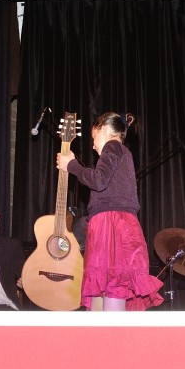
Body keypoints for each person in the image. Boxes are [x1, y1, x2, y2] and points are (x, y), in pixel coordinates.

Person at [56, 112, 163, 311]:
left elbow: (98, 180)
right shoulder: (121, 152)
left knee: (112, 284)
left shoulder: (113, 146)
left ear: (104, 130)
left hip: (113, 225)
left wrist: (71, 165)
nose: (93, 145)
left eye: (94, 138)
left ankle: (110, 330)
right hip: (111, 223)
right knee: (103, 286)